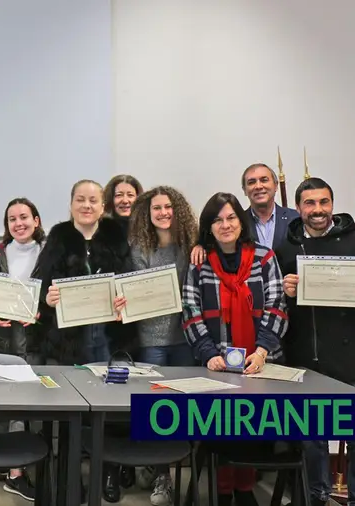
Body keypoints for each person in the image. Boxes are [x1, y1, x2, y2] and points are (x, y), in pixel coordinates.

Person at [275, 178, 355, 506]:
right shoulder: (286, 248)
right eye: (310, 203)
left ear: (333, 204)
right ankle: (317, 498)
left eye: (324, 202)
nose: (318, 210)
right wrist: (286, 293)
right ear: (298, 208)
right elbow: (275, 306)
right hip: (308, 361)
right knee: (312, 441)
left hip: (354, 359)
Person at [182, 192, 288, 506]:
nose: (225, 225)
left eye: (231, 218)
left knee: (254, 425)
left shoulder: (264, 257)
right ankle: (223, 488)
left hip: (260, 360)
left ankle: (245, 488)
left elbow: (277, 305)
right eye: (218, 220)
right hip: (215, 363)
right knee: (219, 427)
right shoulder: (199, 263)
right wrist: (207, 352)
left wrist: (262, 351)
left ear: (241, 222)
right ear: (209, 227)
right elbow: (190, 310)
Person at [31, 179, 133, 502]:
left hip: (106, 336)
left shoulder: (117, 237)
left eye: (93, 200)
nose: (86, 206)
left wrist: (123, 301)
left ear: (103, 206)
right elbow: (38, 285)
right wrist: (47, 299)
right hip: (65, 339)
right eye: (80, 200)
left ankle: (107, 473)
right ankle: (69, 478)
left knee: (107, 409)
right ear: (71, 204)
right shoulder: (59, 237)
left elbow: (128, 283)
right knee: (69, 411)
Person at [115, 186, 197, 506]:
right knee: (157, 409)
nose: (163, 213)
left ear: (177, 210)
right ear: (147, 216)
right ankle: (161, 472)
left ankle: (163, 468)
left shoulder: (191, 246)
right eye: (156, 209)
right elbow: (130, 292)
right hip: (151, 341)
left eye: (167, 207)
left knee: (183, 408)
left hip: (186, 339)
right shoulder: (137, 248)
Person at [0, 197, 45, 501]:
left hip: (34, 340)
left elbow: (54, 293)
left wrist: (44, 309)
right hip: (0, 340)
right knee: (4, 406)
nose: (18, 224)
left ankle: (16, 466)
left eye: (24, 217)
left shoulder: (47, 253)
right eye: (12, 219)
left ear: (36, 220)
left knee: (26, 404)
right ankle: (13, 469)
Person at [241, 163, 298, 250]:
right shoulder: (239, 223)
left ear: (275, 185)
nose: (258, 186)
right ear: (245, 190)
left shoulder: (296, 218)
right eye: (251, 182)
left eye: (264, 180)